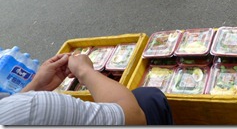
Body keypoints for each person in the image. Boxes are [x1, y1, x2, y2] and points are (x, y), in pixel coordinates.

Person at [0, 53, 174, 125]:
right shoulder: (30, 109)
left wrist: (36, 85)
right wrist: (84, 71)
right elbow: (133, 117)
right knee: (148, 98)